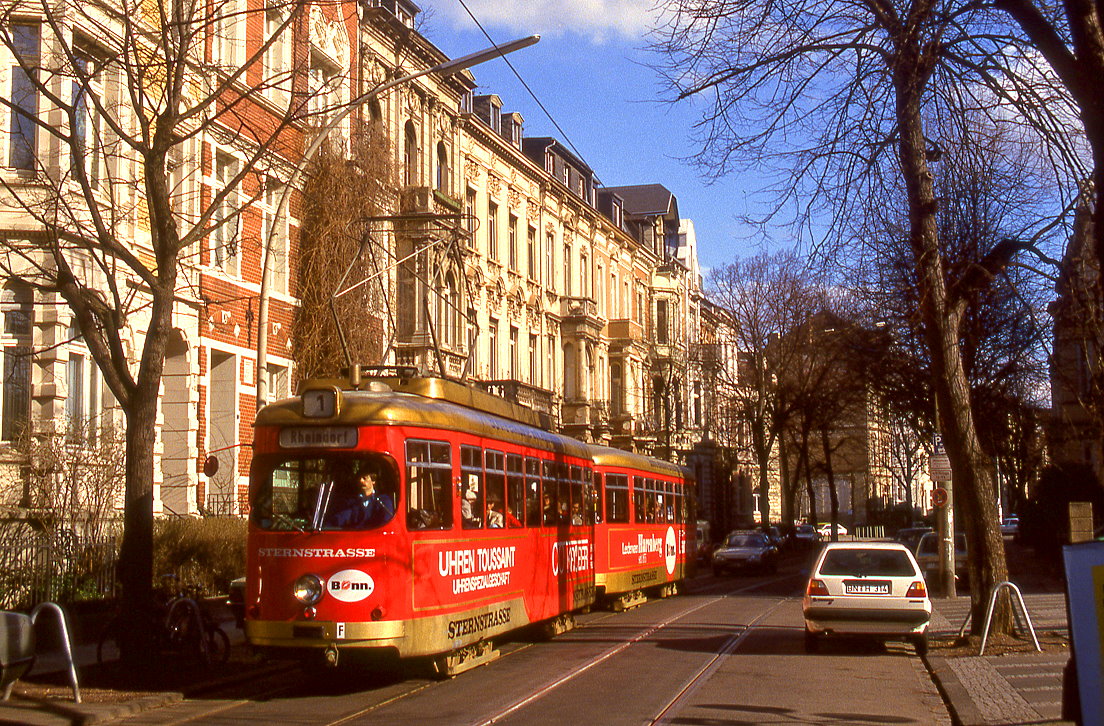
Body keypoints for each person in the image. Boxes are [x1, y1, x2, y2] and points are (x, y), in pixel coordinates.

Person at [325, 463, 394, 530]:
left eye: (364, 478)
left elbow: (386, 522)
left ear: (373, 481)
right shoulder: (352, 502)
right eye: (359, 478)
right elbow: (340, 518)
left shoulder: (384, 501)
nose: (361, 481)